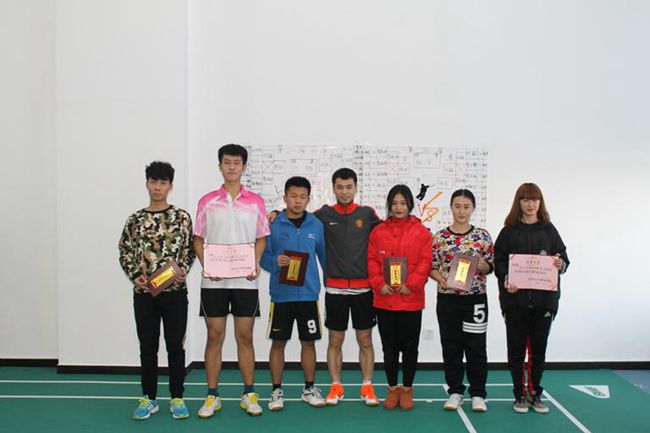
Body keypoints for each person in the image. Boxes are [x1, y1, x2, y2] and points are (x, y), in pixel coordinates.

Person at [267, 168, 382, 406]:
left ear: (356, 188)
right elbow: (293, 217)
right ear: (333, 189)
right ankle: (334, 387)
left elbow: (387, 230)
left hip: (361, 289)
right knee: (334, 341)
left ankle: (367, 387)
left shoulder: (366, 214)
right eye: (340, 187)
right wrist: (276, 213)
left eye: (348, 187)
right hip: (332, 290)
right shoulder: (321, 216)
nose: (344, 191)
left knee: (365, 340)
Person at [194, 144, 270, 417]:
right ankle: (212, 395)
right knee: (214, 336)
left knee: (245, 337)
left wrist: (255, 262)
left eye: (236, 162)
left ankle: (249, 393)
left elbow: (261, 238)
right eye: (227, 162)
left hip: (245, 281)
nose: (232, 167)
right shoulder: (207, 201)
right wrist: (208, 264)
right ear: (220, 166)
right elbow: (198, 238)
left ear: (244, 167)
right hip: (214, 282)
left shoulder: (256, 202)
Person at [118, 161, 195, 420]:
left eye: (163, 182)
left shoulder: (181, 217)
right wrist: (135, 275)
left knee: (175, 347)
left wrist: (183, 268)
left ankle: (177, 398)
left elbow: (190, 250)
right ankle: (148, 398)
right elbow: (125, 250)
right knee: (148, 347)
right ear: (147, 184)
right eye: (153, 182)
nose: (158, 187)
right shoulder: (136, 220)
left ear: (170, 185)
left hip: (175, 293)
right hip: (145, 296)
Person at [494, 182, 569, 414]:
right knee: (516, 350)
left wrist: (560, 263)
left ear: (540, 202)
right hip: (515, 302)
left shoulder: (549, 230)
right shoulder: (508, 231)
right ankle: (519, 394)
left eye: (535, 199)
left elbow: (564, 259)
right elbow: (499, 261)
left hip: (544, 302)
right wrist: (506, 278)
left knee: (538, 350)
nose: (530, 204)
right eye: (526, 199)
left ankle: (535, 393)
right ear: (519, 202)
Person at [260, 176, 328, 410]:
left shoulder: (316, 225)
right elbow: (263, 258)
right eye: (293, 196)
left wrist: (329, 284)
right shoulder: (273, 224)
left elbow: (324, 258)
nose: (297, 201)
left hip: (308, 295)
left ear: (308, 199)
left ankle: (309, 388)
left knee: (309, 343)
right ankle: (276, 391)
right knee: (278, 343)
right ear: (285, 197)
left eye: (302, 197)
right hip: (281, 295)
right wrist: (274, 262)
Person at [367, 184, 432, 410]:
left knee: (410, 349)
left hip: (411, 301)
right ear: (389, 205)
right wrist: (379, 284)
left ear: (410, 205)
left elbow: (425, 262)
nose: (398, 207)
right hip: (384, 300)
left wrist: (411, 285)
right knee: (389, 348)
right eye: (394, 203)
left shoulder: (422, 232)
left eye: (403, 203)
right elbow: (372, 261)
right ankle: (392, 388)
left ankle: (407, 389)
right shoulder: (378, 232)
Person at [430, 189, 494, 412]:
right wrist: (440, 278)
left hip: (475, 299)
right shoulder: (439, 237)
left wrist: (484, 266)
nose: (461, 211)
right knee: (451, 346)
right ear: (451, 207)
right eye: (457, 206)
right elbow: (432, 266)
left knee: (476, 347)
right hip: (447, 299)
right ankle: (455, 391)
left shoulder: (483, 236)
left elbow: (492, 265)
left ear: (473, 208)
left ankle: (478, 393)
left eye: (466, 207)